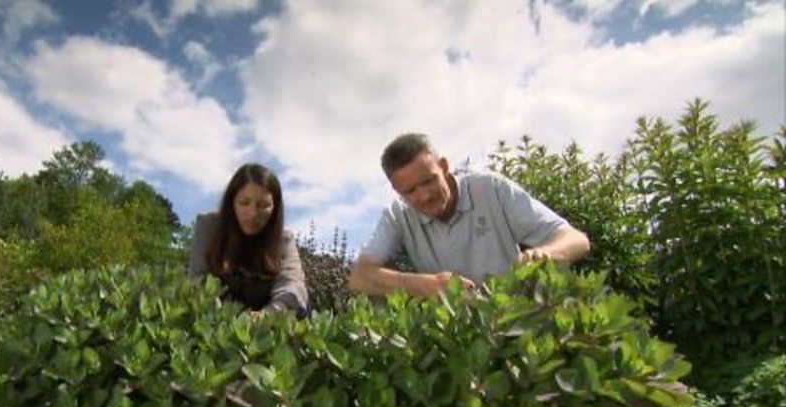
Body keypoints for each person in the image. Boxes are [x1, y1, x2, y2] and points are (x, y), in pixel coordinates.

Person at [349, 133, 590, 298]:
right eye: (410, 191)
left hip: (516, 321)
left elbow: (577, 240)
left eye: (428, 181)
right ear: (396, 190)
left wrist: (546, 254)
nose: (423, 196)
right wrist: (428, 285)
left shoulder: (491, 188)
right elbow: (360, 278)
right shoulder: (397, 215)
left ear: (443, 166)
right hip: (455, 338)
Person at [189, 163, 308, 315]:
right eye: (244, 202)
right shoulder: (209, 227)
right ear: (232, 202)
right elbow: (197, 279)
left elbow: (293, 286)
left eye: (263, 205)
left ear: (275, 208)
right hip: (216, 320)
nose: (252, 213)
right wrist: (220, 317)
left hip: (268, 325)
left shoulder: (284, 240)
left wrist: (265, 316)